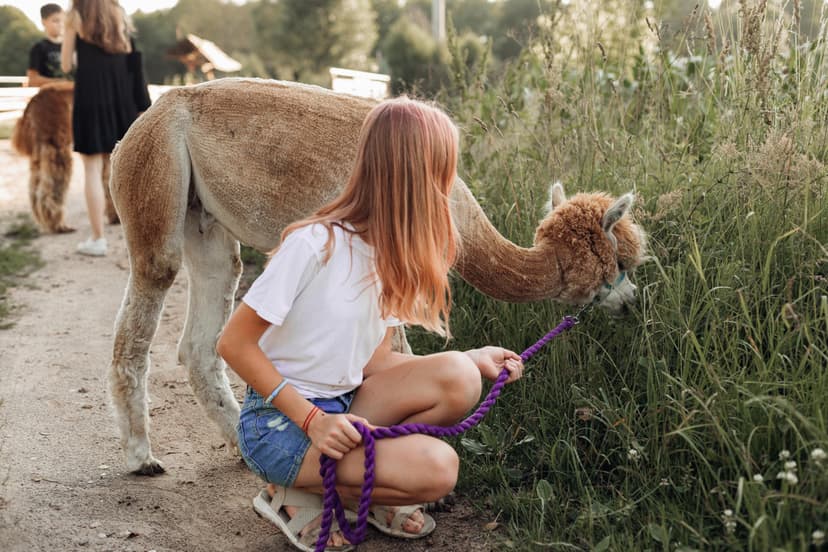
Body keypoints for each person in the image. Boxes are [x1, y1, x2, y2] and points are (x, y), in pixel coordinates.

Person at [217, 98, 525, 552]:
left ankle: (369, 491)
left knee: (459, 378)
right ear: (413, 180)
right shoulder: (314, 245)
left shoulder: (387, 257)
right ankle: (292, 493)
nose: (448, 193)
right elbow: (233, 345)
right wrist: (314, 419)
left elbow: (375, 361)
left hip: (344, 408)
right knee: (438, 468)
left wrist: (471, 359)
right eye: (444, 177)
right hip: (279, 423)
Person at [61, 0, 147, 257]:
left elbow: (66, 65)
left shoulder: (75, 16)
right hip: (122, 99)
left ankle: (98, 240)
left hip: (90, 98)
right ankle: (142, 238)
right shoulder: (118, 13)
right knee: (127, 169)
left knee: (91, 168)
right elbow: (133, 59)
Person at [27, 4, 69, 87]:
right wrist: (60, 82)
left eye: (63, 21)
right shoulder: (39, 48)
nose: (61, 24)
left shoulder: (70, 48)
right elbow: (33, 80)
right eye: (55, 21)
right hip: (48, 96)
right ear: (43, 22)